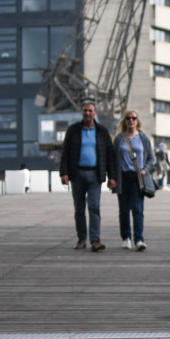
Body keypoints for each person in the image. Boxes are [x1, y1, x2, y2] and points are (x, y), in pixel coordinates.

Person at [59, 100, 118, 252]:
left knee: (94, 207)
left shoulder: (102, 132)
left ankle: (95, 240)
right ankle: (81, 239)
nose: (87, 113)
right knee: (79, 209)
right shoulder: (73, 130)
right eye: (85, 110)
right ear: (82, 113)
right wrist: (64, 173)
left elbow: (109, 156)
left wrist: (112, 177)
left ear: (95, 113)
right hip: (77, 174)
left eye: (90, 111)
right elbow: (65, 153)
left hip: (95, 175)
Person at [113, 109, 155, 251]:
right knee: (124, 209)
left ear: (137, 121)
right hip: (123, 176)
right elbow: (113, 159)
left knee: (138, 209)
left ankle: (139, 239)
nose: (131, 120)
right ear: (124, 121)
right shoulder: (119, 138)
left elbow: (151, 158)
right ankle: (126, 238)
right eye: (128, 118)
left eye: (134, 118)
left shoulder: (143, 138)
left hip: (138, 177)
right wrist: (112, 177)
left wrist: (146, 169)